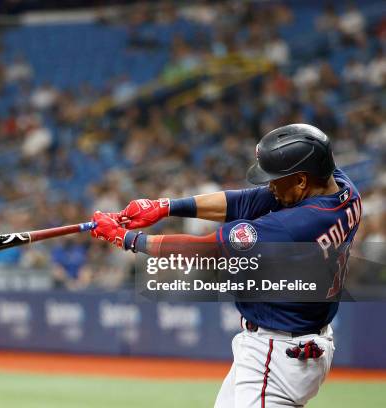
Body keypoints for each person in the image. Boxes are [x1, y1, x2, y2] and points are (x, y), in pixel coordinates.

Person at [90, 124, 362, 407]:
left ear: (302, 180)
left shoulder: (297, 225)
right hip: (290, 345)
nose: (269, 185)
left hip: (277, 355)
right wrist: (166, 206)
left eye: (274, 178)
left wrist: (129, 239)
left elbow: (206, 248)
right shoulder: (343, 189)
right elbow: (246, 201)